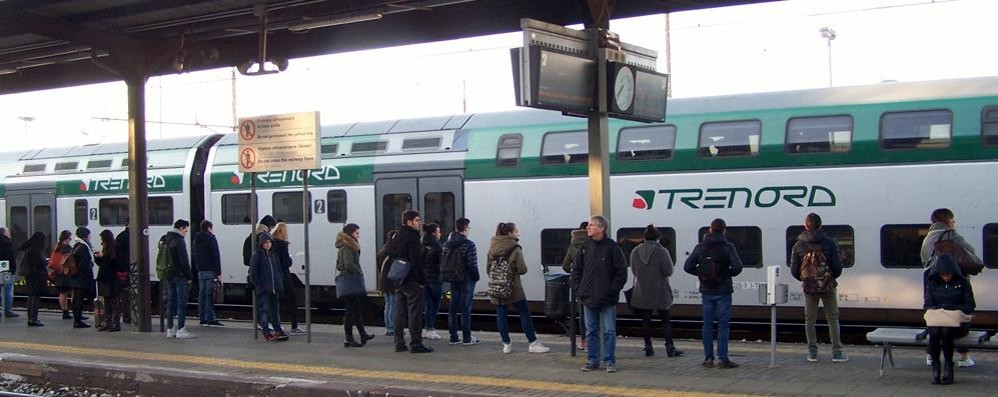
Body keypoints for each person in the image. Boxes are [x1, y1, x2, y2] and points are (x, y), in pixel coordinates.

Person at [919, 208, 977, 368]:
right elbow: (970, 251)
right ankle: (963, 356)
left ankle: (931, 355)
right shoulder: (951, 235)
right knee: (956, 317)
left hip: (931, 281)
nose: (954, 222)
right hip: (954, 279)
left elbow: (924, 259)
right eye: (953, 219)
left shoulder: (928, 238)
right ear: (948, 220)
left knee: (935, 316)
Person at [684, 218, 744, 369]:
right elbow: (737, 267)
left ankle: (708, 359)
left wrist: (701, 274)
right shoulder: (728, 247)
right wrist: (726, 273)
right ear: (724, 230)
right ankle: (723, 359)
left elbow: (687, 266)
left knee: (707, 325)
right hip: (723, 290)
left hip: (706, 291)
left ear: (710, 230)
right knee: (723, 325)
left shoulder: (700, 247)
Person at [572, 215, 627, 373]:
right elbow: (576, 270)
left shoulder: (612, 247)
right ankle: (592, 360)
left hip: (607, 298)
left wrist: (612, 290)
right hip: (588, 296)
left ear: (601, 228)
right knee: (591, 331)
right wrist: (579, 289)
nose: (588, 228)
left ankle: (609, 360)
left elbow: (621, 272)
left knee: (609, 330)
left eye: (591, 225)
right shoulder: (584, 247)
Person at [790, 213, 847, 363]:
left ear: (806, 225)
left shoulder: (799, 244)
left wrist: (806, 279)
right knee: (832, 318)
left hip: (809, 287)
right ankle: (837, 352)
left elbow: (794, 269)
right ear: (821, 225)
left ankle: (812, 353)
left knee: (810, 319)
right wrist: (828, 278)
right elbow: (838, 266)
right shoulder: (829, 243)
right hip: (828, 286)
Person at [490, 222, 550, 354]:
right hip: (514, 287)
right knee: (524, 313)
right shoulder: (515, 248)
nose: (518, 233)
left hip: (497, 286)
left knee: (501, 313)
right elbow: (522, 269)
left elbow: (488, 269)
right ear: (510, 233)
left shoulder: (492, 247)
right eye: (516, 231)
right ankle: (532, 343)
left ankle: (506, 344)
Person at [629, 225, 682, 358]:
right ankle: (670, 348)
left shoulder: (635, 251)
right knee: (665, 320)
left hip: (642, 290)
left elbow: (634, 271)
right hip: (660, 290)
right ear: (658, 238)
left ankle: (648, 347)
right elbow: (668, 271)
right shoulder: (661, 251)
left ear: (644, 237)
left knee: (646, 320)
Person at [924, 254, 975, 385]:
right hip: (938, 321)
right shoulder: (932, 282)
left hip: (958, 323)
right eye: (943, 274)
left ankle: (947, 367)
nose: (946, 276)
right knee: (936, 330)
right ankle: (936, 367)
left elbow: (970, 305)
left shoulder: (963, 283)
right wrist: (940, 309)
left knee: (945, 331)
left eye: (948, 274)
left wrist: (953, 308)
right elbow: (927, 304)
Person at [386, 210, 432, 353]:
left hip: (399, 279)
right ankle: (416, 344)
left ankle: (399, 343)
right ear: (409, 222)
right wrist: (422, 281)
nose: (420, 223)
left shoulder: (397, 235)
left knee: (400, 312)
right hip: (411, 280)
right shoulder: (412, 237)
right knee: (415, 313)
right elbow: (416, 261)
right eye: (417, 220)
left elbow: (391, 254)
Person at [337, 223, 374, 347]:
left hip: (350, 281)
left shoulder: (347, 245)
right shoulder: (348, 246)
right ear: (350, 234)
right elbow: (348, 264)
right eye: (356, 233)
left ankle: (362, 334)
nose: (358, 236)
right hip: (350, 281)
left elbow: (339, 264)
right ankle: (348, 338)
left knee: (356, 309)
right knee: (350, 310)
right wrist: (358, 270)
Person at [445, 217, 481, 345]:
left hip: (453, 278)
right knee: (465, 308)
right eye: (468, 228)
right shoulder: (469, 244)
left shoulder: (447, 244)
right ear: (465, 229)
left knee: (453, 307)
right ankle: (467, 337)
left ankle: (453, 337)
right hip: (466, 279)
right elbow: (472, 264)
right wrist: (476, 277)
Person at [161, 220, 195, 339]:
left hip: (169, 275)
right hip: (180, 276)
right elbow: (184, 260)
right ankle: (181, 329)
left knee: (171, 302)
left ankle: (170, 329)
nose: (186, 232)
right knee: (181, 303)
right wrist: (189, 276)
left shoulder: (166, 238)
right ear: (181, 228)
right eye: (186, 229)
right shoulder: (179, 241)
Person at [250, 232, 286, 342]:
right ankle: (266, 332)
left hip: (275, 288)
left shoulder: (272, 255)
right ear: (261, 243)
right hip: (264, 289)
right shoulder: (257, 255)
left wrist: (279, 284)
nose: (268, 244)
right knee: (264, 311)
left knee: (275, 311)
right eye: (265, 242)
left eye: (269, 242)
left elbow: (278, 270)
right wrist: (259, 287)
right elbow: (254, 273)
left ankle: (277, 329)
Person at [271, 223, 303, 335]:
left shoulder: (270, 244)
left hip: (274, 275)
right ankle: (294, 326)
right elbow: (287, 262)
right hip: (284, 275)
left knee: (275, 302)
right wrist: (290, 259)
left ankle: (276, 326)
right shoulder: (283, 245)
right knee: (292, 300)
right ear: (283, 232)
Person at [562, 222, 589, 350]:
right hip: (593, 283)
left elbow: (565, 266)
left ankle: (583, 341)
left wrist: (574, 273)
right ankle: (595, 340)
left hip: (579, 285)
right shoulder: (591, 244)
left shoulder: (573, 246)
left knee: (583, 313)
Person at [193, 220, 223, 327]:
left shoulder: (196, 239)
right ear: (209, 228)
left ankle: (202, 317)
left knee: (202, 294)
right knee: (209, 295)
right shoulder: (211, 239)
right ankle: (210, 318)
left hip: (201, 270)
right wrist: (218, 272)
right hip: (210, 270)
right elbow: (215, 255)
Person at [18, 232, 47, 327]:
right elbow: (39, 262)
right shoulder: (35, 250)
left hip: (30, 276)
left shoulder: (29, 248)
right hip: (35, 277)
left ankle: (31, 318)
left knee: (31, 296)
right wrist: (46, 261)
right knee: (35, 297)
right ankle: (33, 319)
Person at [95, 229, 121, 332]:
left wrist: (103, 257)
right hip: (105, 278)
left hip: (111, 278)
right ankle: (108, 321)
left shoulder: (115, 248)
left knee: (113, 301)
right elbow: (103, 263)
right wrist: (98, 258)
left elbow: (113, 263)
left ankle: (115, 323)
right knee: (107, 301)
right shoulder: (106, 248)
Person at [70, 227, 97, 329]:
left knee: (76, 299)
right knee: (79, 300)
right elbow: (84, 263)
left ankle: (77, 320)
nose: (90, 237)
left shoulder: (76, 245)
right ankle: (77, 321)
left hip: (76, 277)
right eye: (89, 234)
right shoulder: (83, 247)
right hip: (81, 277)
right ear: (85, 235)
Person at [421, 223, 444, 340]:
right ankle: (431, 328)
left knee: (428, 305)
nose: (440, 234)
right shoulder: (438, 246)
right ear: (434, 233)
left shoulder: (422, 245)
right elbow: (441, 264)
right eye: (439, 231)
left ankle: (427, 329)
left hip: (424, 279)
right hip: (435, 279)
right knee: (435, 305)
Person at [377, 230, 398, 336]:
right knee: (393, 305)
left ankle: (389, 327)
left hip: (383, 280)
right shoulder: (393, 252)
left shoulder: (383, 250)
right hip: (391, 281)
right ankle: (392, 328)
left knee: (388, 304)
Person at [52, 230, 75, 320]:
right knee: (73, 292)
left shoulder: (57, 247)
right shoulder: (67, 248)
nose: (70, 240)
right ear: (67, 238)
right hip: (67, 273)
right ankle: (75, 311)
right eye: (70, 238)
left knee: (63, 293)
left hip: (59, 273)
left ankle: (65, 312)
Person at [114, 225, 132, 324]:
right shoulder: (126, 236)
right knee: (126, 294)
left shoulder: (121, 236)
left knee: (126, 295)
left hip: (125, 269)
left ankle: (127, 316)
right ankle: (127, 316)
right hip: (126, 269)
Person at [0, 227, 17, 318]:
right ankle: (7, 310)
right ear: (4, 233)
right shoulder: (6, 243)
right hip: (7, 271)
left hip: (1, 269)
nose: (9, 233)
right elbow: (10, 257)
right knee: (8, 291)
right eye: (8, 231)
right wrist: (13, 268)